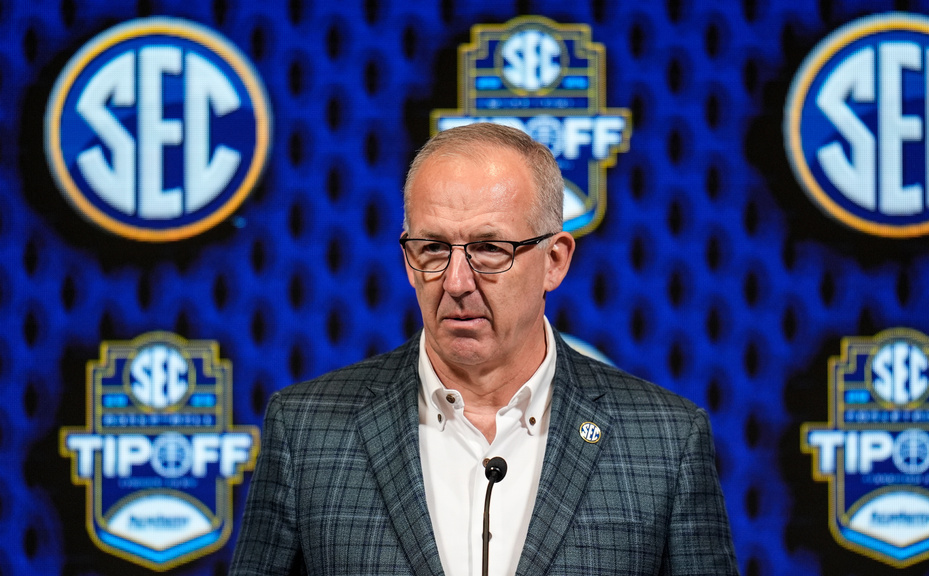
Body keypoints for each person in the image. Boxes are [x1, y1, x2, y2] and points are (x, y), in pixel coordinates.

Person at [229, 122, 739, 575]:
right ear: (407, 259)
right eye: (433, 248)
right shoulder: (307, 429)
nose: (456, 282)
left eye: (490, 249)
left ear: (555, 260)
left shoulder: (665, 440)